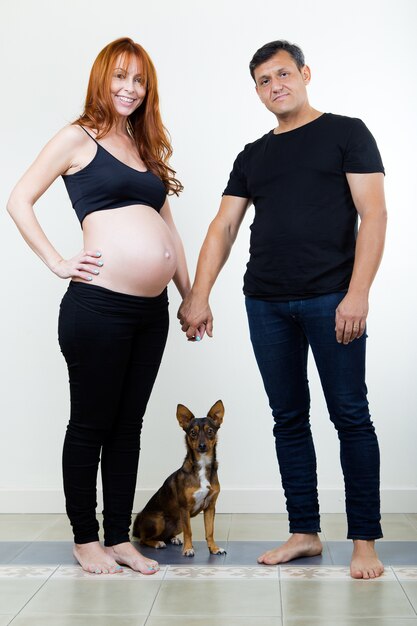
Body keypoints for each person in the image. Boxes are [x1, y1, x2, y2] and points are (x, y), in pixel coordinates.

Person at [178, 40, 387, 579]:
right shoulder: (253, 154)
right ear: (257, 91)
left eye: (283, 74)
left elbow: (375, 215)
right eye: (264, 81)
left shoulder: (347, 132)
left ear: (305, 74)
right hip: (266, 303)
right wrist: (198, 295)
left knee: (350, 416)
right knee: (288, 420)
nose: (276, 86)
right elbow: (223, 227)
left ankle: (364, 540)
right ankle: (305, 532)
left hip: (331, 299)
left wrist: (357, 292)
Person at [7, 37, 191, 575]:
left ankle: (118, 537)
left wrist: (190, 295)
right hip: (98, 308)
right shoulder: (77, 137)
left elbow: (169, 231)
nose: (129, 88)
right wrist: (56, 261)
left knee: (127, 426)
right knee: (90, 424)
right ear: (101, 79)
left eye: (139, 80)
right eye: (120, 77)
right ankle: (85, 538)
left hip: (149, 313)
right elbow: (19, 198)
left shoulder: (143, 146)